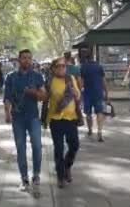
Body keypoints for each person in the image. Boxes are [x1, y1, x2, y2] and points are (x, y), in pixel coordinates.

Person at [4, 49, 46, 197]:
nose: (27, 60)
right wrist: (7, 113)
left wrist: (33, 93)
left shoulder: (37, 76)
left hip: (33, 117)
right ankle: (24, 178)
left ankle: (36, 175)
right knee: (20, 148)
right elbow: (7, 97)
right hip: (18, 118)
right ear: (19, 60)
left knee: (36, 146)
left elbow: (43, 96)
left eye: (29, 58)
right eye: (24, 58)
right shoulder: (11, 77)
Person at [44, 57, 81, 188]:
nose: (61, 68)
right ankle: (60, 176)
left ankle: (67, 166)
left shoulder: (71, 79)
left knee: (75, 145)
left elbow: (78, 94)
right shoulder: (50, 81)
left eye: (63, 66)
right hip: (56, 119)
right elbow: (45, 99)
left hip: (71, 118)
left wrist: (75, 93)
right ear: (53, 68)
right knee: (58, 149)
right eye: (58, 66)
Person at [79, 47, 109, 142]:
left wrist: (79, 92)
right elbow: (103, 80)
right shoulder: (99, 66)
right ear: (93, 57)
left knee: (88, 113)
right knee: (99, 112)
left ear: (85, 58)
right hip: (98, 92)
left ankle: (90, 129)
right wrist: (106, 92)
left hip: (87, 93)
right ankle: (99, 131)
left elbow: (81, 82)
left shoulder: (83, 67)